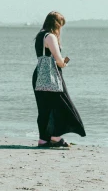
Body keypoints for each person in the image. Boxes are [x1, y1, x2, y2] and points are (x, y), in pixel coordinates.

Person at [32, 11, 86, 148]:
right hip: (51, 77)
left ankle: (43, 140)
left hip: (39, 75)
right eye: (60, 25)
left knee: (44, 109)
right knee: (62, 105)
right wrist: (64, 63)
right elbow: (58, 60)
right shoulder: (50, 36)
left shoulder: (40, 35)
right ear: (57, 24)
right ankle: (55, 137)